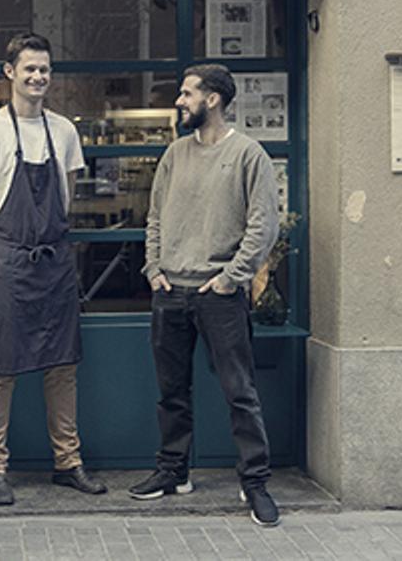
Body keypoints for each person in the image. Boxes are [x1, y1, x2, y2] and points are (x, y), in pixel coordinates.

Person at [130, 64, 281, 527]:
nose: (179, 101)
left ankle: (254, 482)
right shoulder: (175, 154)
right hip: (171, 291)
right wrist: (154, 269)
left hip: (219, 294)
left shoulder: (248, 155)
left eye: (186, 93)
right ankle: (174, 472)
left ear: (212, 99)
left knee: (240, 393)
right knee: (171, 392)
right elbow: (154, 216)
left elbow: (264, 225)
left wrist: (232, 278)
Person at [0, 32, 106, 505]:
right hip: (8, 259)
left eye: (45, 69)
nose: (39, 77)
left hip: (56, 260)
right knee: (0, 370)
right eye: (30, 69)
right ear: (10, 73)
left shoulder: (63, 129)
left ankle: (68, 462)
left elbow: (66, 196)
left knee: (63, 368)